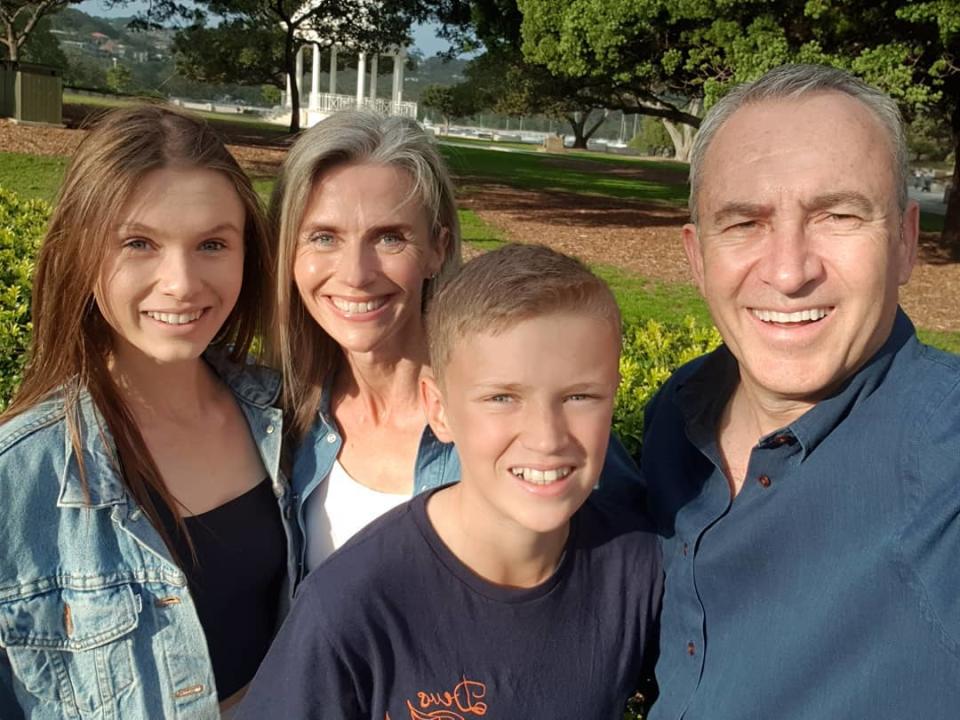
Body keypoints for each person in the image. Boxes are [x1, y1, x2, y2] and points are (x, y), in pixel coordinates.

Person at [642, 64, 960, 719]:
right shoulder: (676, 415)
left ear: (904, 243)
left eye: (838, 215)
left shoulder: (947, 455)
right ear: (697, 258)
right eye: (744, 223)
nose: (789, 272)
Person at [238, 243, 663, 719]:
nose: (546, 437)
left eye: (580, 396)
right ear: (439, 409)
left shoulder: (637, 568)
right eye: (502, 398)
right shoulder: (351, 607)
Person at [0, 106, 294, 720]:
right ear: (80, 253)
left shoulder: (288, 416)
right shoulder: (17, 479)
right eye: (139, 243)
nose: (182, 283)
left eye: (213, 244)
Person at [271, 110, 640, 581]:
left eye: (389, 238)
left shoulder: (527, 421)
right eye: (323, 237)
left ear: (437, 248)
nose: (355, 275)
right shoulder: (280, 420)